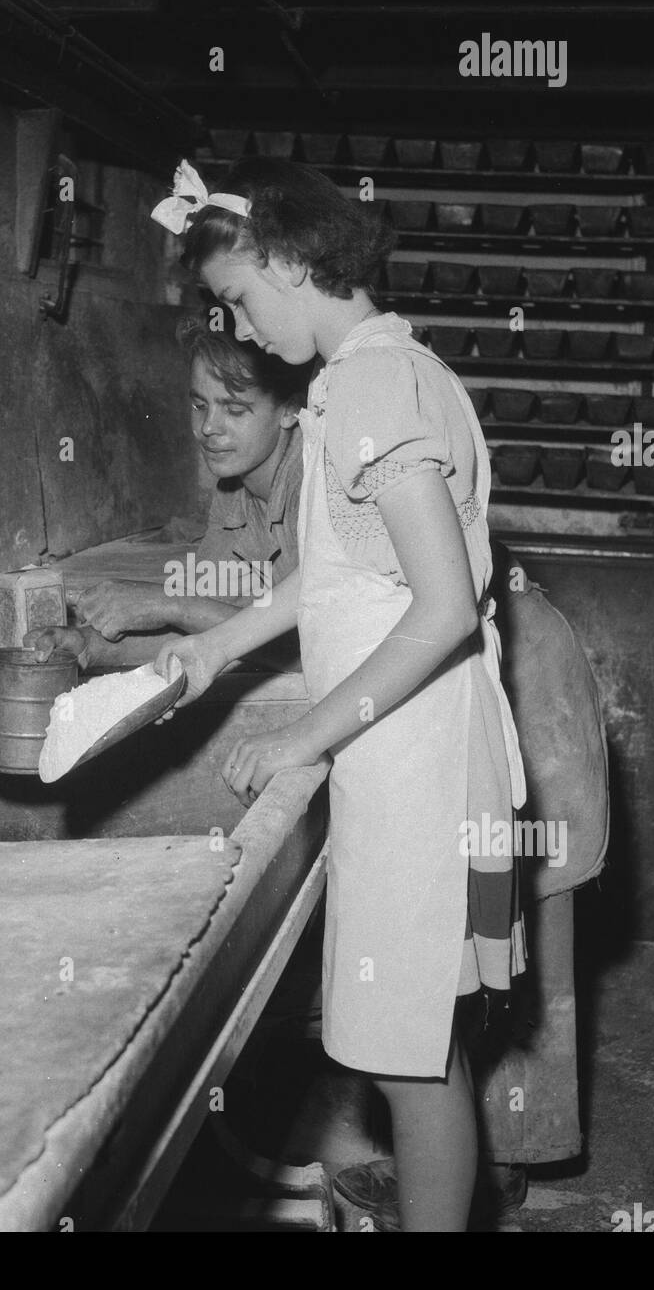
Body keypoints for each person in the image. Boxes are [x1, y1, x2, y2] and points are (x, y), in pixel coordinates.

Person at [140, 157, 528, 1232]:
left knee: (403, 1056)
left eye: (243, 299)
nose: (245, 327)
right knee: (416, 1046)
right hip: (420, 755)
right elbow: (352, 567)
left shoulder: (364, 386)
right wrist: (220, 640)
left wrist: (303, 734)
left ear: (296, 261)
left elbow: (442, 606)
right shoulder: (386, 368)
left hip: (415, 766)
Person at [32, 316, 308, 672]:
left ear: (290, 410)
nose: (208, 427)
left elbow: (308, 650)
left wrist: (170, 603)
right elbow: (218, 626)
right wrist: (87, 646)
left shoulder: (312, 486)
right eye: (199, 405)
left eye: (235, 409)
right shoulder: (234, 488)